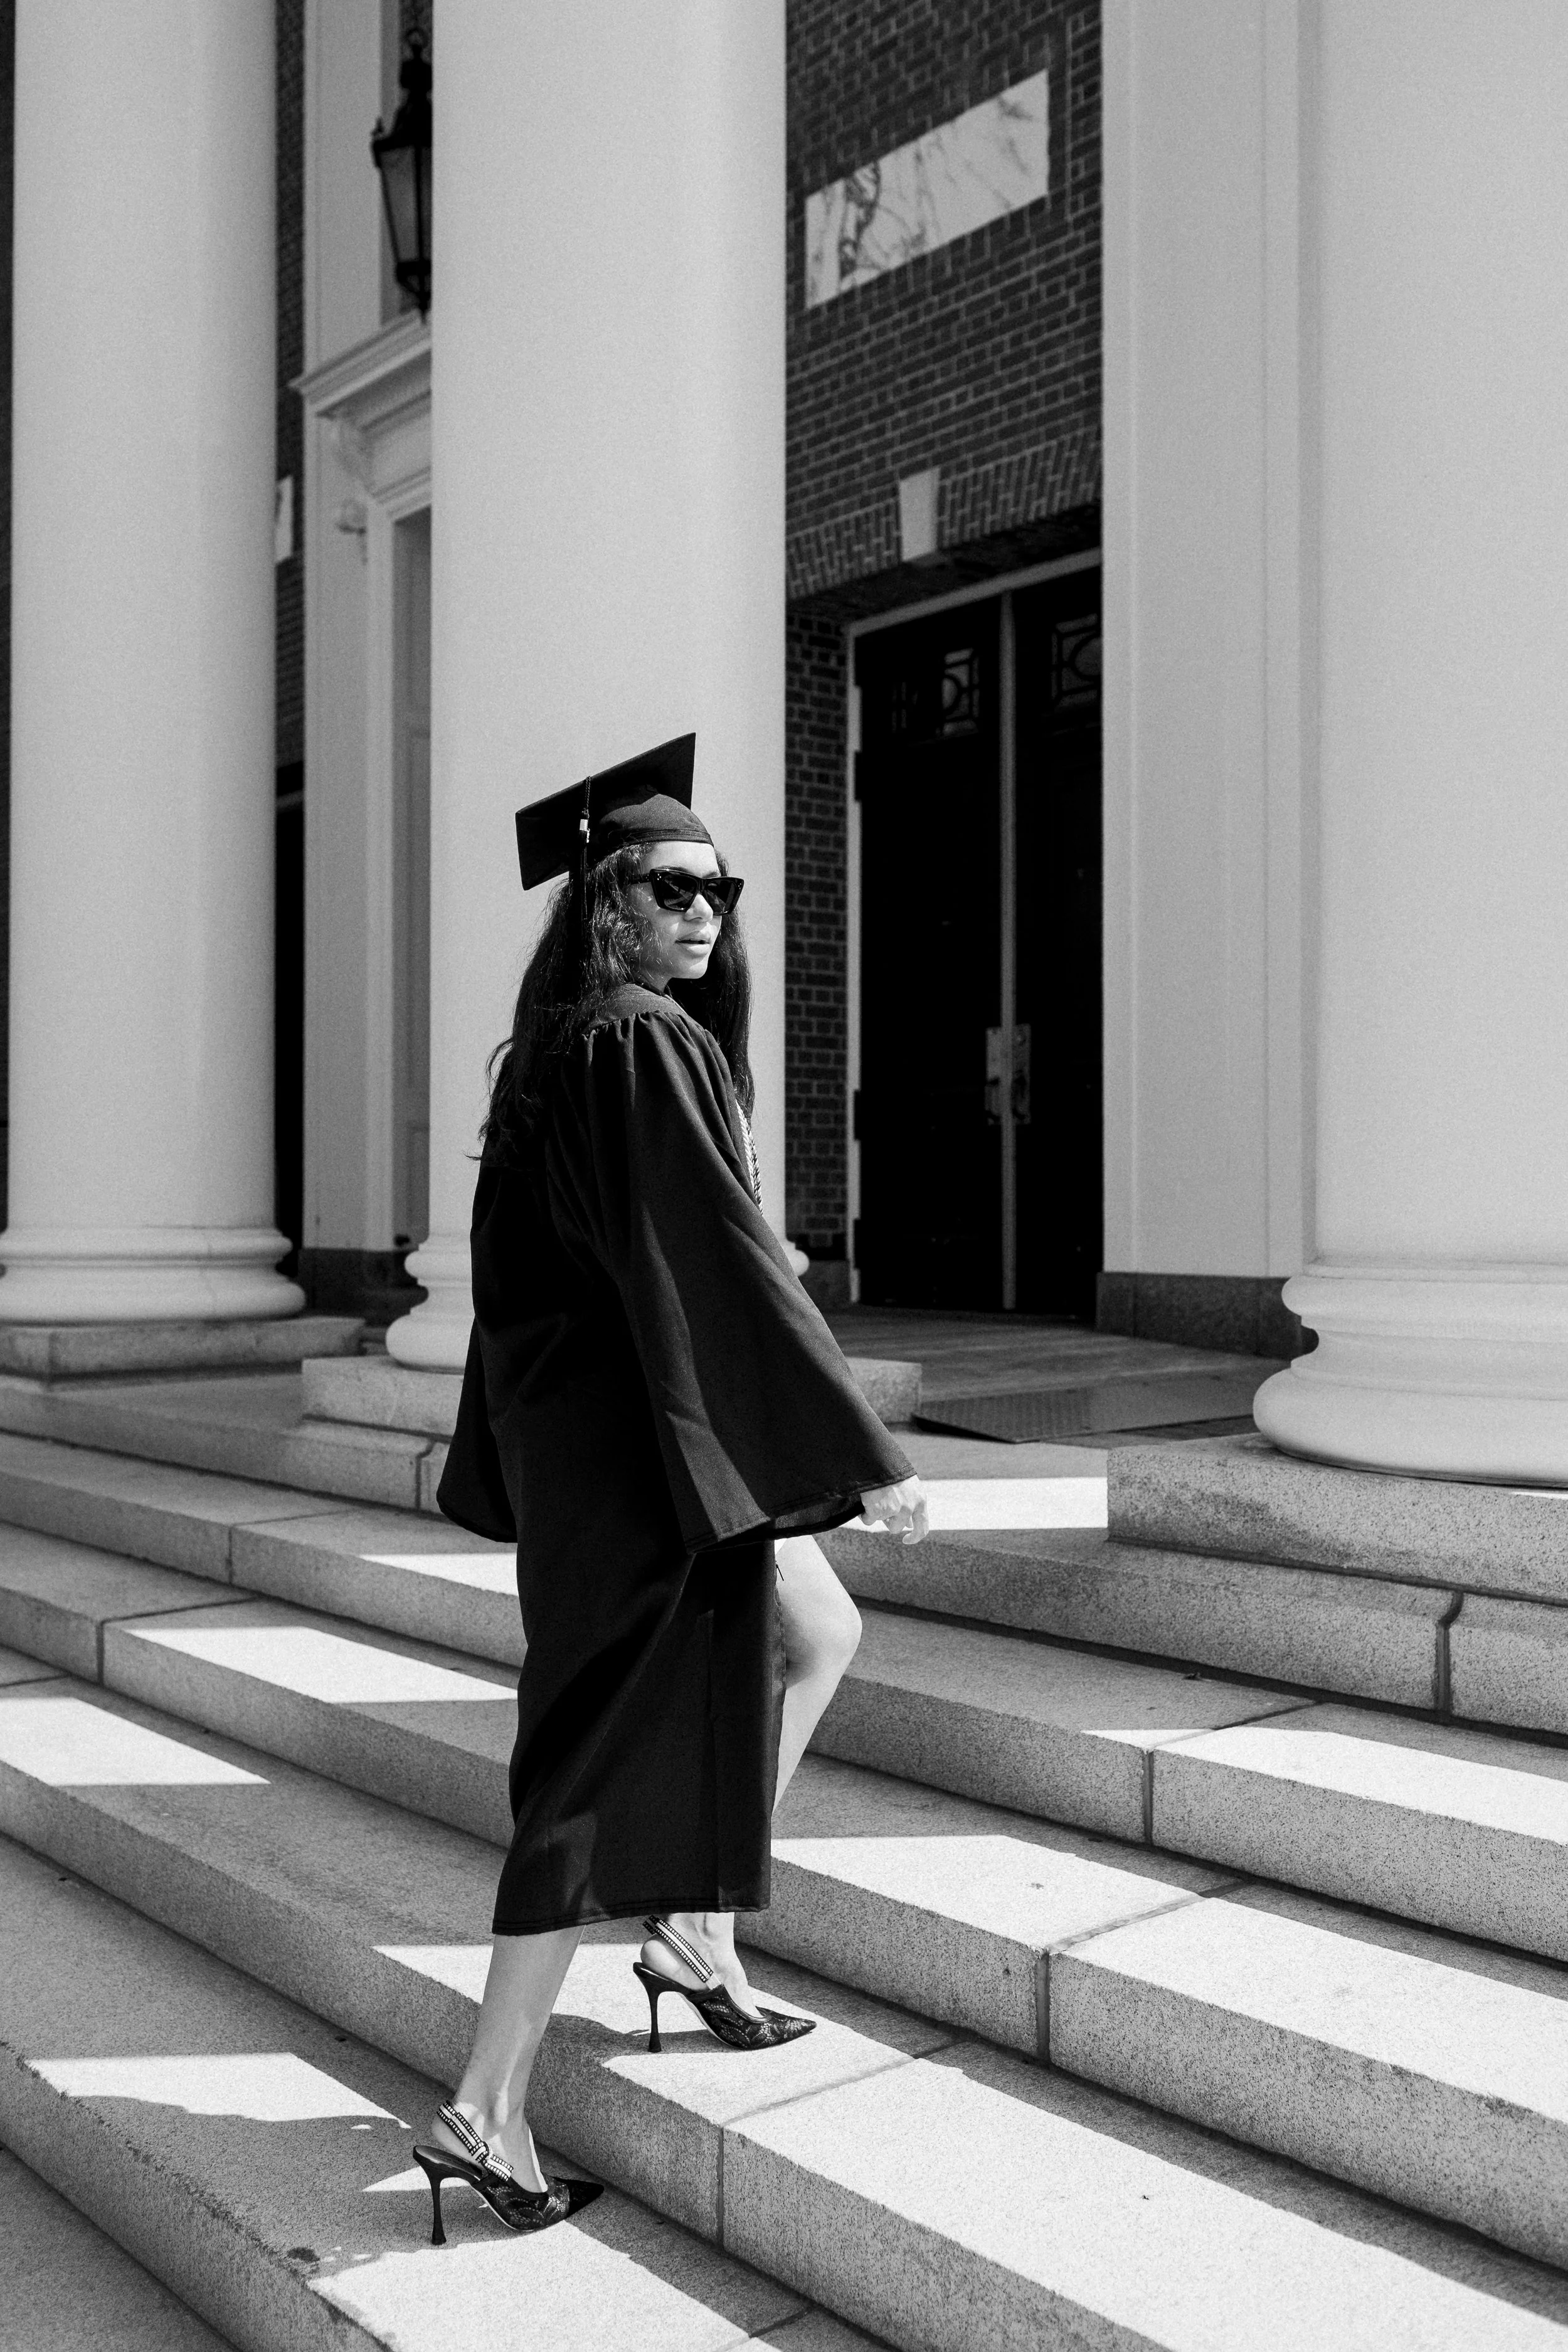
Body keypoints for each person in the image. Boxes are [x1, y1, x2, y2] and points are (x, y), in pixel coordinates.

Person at [411, 733, 928, 2243]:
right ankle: (483, 2106)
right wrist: (856, 1455)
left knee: (816, 1636)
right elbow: (711, 1264)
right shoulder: (640, 1042)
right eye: (667, 886)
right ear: (603, 906)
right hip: (642, 1466)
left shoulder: (562, 1051)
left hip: (610, 1449)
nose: (703, 911)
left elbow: (543, 1286)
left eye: (720, 888)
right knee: (581, 1771)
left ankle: (693, 1932)